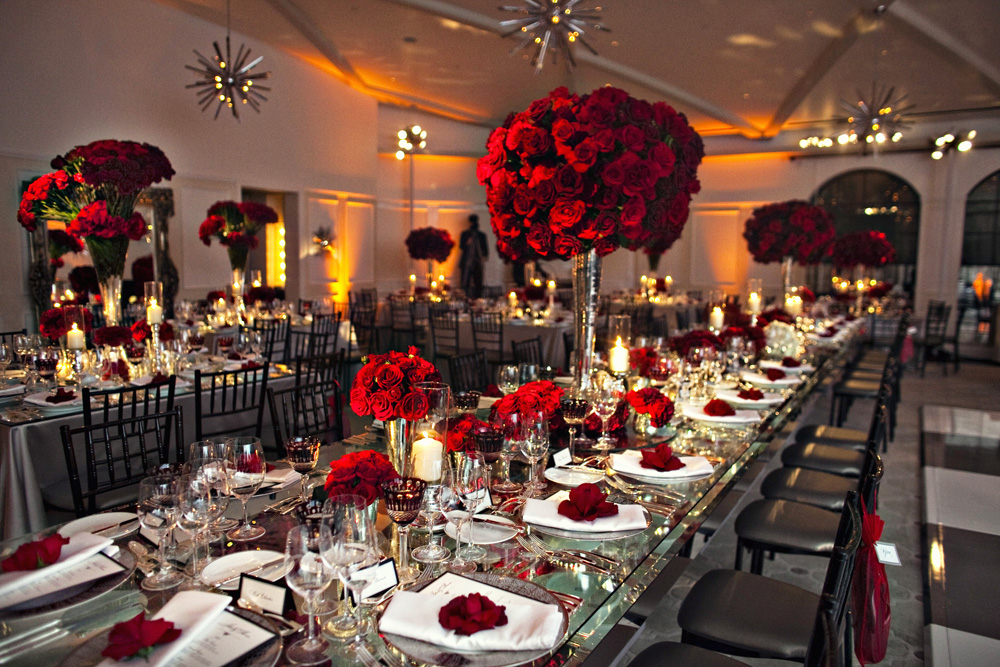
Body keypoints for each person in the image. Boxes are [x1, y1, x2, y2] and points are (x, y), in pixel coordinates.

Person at [459, 214, 488, 298]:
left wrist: (484, 257)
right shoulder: (465, 234)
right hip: (467, 262)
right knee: (465, 282)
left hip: (477, 262)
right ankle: (465, 299)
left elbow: (485, 249)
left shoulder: (481, 235)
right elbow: (461, 247)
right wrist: (467, 243)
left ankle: (478, 299)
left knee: (478, 283)